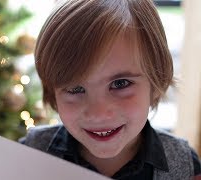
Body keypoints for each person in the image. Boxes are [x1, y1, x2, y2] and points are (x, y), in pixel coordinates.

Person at [20, 0, 201, 179]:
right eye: (75, 88)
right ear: (53, 93)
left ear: (155, 82)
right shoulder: (27, 155)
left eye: (120, 84)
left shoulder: (185, 165)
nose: (98, 114)